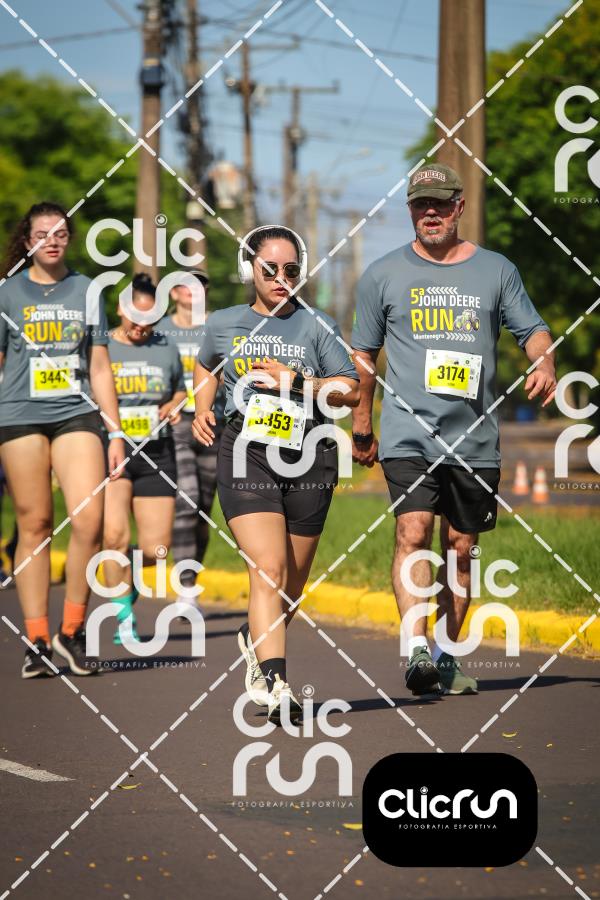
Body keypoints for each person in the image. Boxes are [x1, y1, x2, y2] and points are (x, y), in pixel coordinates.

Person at [351, 164, 557, 698]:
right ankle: (416, 650)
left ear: (459, 207)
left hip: (474, 439)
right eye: (421, 204)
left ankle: (444, 656)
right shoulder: (382, 274)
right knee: (412, 532)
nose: (431, 212)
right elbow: (364, 354)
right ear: (410, 209)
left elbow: (534, 331)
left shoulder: (496, 270)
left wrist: (544, 362)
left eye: (441, 203)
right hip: (408, 433)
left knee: (461, 548)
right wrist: (361, 421)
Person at [193, 225, 359, 724]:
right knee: (268, 568)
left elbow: (350, 390)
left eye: (291, 270)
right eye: (270, 269)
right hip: (247, 452)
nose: (281, 278)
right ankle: (276, 684)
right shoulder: (224, 323)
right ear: (250, 269)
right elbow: (206, 366)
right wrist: (202, 408)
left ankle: (256, 636)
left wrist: (300, 381)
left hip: (310, 454)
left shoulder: (317, 325)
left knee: (289, 586)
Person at [0, 201, 125, 678]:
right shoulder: (8, 293)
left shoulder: (87, 290)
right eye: (42, 234)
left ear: (69, 239)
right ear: (27, 240)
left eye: (60, 233)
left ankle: (70, 631)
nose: (51, 241)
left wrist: (115, 431)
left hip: (76, 413)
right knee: (34, 524)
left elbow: (99, 366)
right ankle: (36, 639)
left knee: (89, 519)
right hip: (20, 415)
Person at [103, 274, 186, 643]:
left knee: (156, 549)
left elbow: (180, 389)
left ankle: (128, 575)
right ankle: (124, 619)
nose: (142, 325)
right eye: (136, 316)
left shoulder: (165, 346)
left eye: (150, 319)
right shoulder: (102, 346)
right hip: (113, 452)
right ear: (121, 309)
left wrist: (173, 405)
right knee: (114, 537)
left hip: (156, 452)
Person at [160, 271, 225, 612]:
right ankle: (185, 587)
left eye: (199, 285)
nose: (192, 291)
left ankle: (191, 580)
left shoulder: (218, 326)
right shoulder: (161, 330)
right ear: (173, 293)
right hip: (178, 425)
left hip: (214, 422)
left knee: (203, 512)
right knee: (187, 499)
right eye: (185, 285)